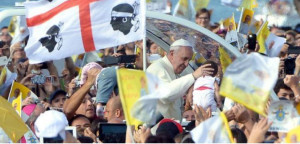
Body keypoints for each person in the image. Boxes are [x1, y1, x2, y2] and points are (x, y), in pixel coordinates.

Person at [147, 38, 214, 120]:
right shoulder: (156, 68)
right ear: (172, 54)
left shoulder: (177, 70)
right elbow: (165, 95)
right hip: (158, 130)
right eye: (184, 59)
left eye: (189, 60)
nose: (186, 64)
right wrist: (193, 76)